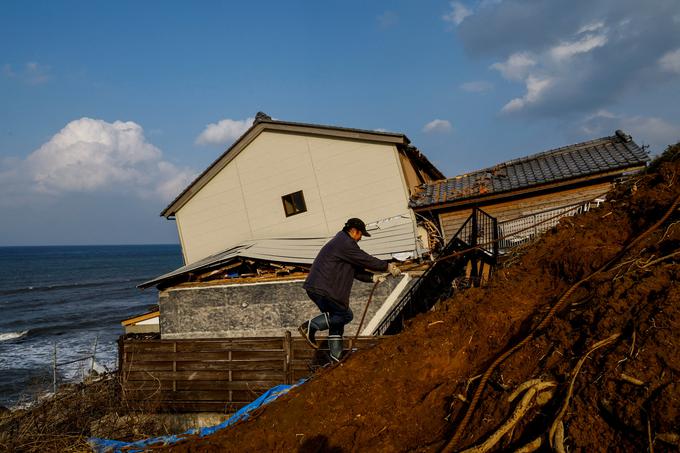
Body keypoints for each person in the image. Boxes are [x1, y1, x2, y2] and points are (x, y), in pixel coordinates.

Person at [299, 218, 401, 361]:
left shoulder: (341, 244)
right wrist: (387, 266)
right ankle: (310, 327)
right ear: (353, 231)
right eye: (360, 235)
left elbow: (356, 271)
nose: (360, 239)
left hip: (319, 288)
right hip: (325, 288)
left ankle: (336, 357)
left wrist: (373, 277)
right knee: (345, 315)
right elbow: (365, 259)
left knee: (337, 320)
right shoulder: (344, 243)